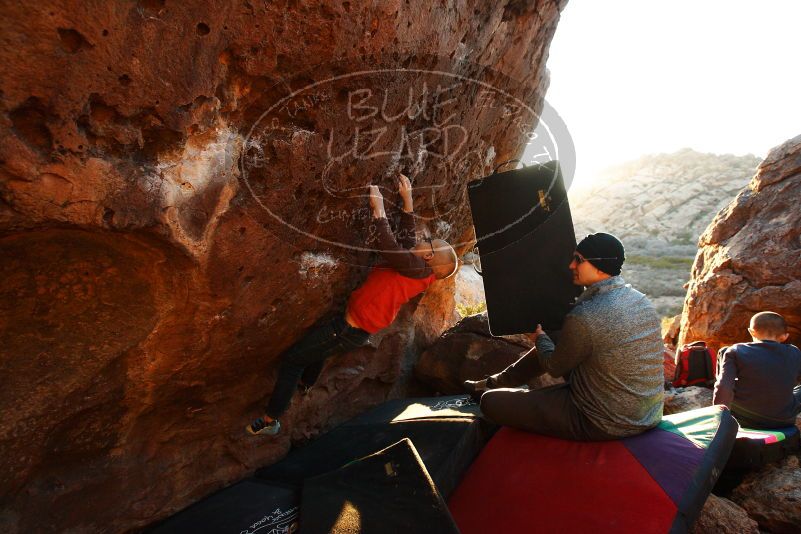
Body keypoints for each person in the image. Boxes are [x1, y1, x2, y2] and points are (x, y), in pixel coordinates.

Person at [247, 174, 459, 436]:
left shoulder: (415, 267)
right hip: (354, 330)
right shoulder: (418, 270)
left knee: (293, 359)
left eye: (428, 242)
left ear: (428, 256)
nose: (422, 238)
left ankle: (270, 421)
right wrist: (408, 202)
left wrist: (378, 210)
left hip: (346, 330)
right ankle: (306, 383)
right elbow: (405, 241)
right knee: (318, 350)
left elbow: (390, 246)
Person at [464, 233, 664, 441]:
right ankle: (497, 381)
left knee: (490, 402)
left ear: (598, 265)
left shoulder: (586, 315)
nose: (571, 265)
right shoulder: (641, 301)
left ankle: (491, 389)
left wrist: (539, 338)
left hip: (602, 421)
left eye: (578, 259)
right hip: (647, 415)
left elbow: (555, 366)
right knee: (557, 335)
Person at [713, 311, 801, 429]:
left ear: (751, 331)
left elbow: (724, 386)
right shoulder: (795, 352)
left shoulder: (736, 351)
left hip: (744, 417)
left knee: (723, 351)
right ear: (785, 337)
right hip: (783, 419)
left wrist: (718, 417)